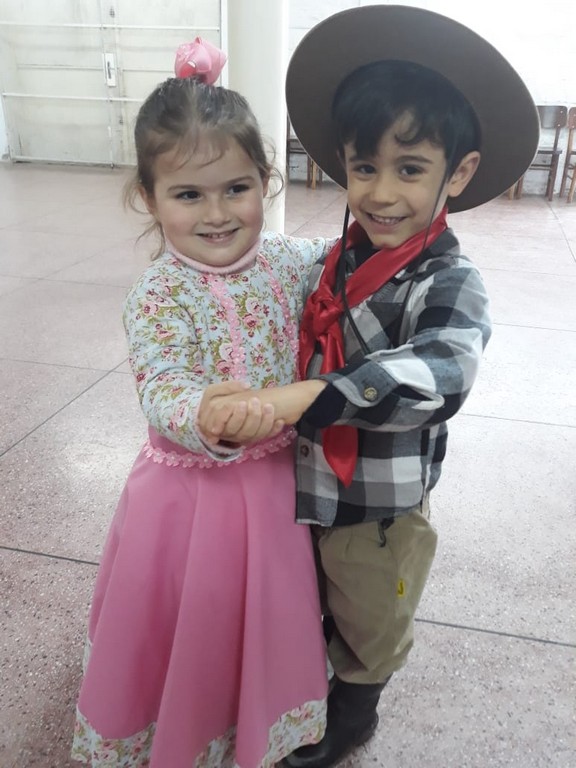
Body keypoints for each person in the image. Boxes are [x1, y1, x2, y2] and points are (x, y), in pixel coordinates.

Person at [198, 7, 540, 768]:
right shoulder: (338, 257)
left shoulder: (450, 281)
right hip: (306, 484)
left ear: (458, 173)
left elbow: (440, 371)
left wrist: (302, 399)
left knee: (370, 616)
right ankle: (305, 679)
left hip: (379, 507)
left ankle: (354, 714)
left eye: (410, 169)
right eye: (363, 168)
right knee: (311, 595)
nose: (381, 193)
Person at [71, 38, 333, 768]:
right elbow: (160, 384)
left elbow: (341, 255)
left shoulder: (283, 258)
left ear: (265, 183)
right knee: (193, 619)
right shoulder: (159, 293)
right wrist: (202, 411)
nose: (217, 214)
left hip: (274, 486)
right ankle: (181, 723)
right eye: (188, 195)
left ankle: (256, 717)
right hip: (189, 502)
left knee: (265, 612)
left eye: (236, 189)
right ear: (148, 197)